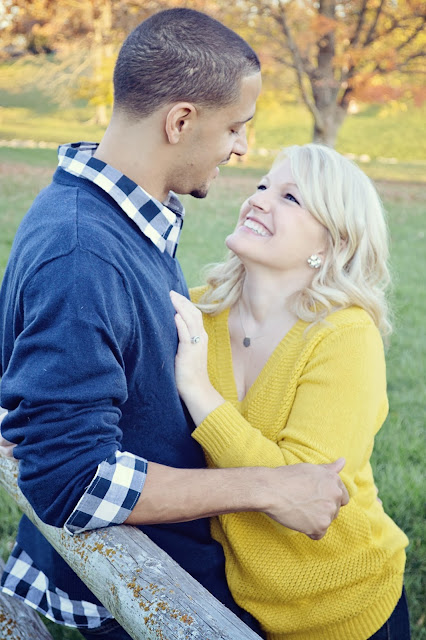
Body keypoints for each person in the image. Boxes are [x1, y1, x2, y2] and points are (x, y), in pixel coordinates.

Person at [0, 9, 348, 640]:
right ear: (181, 121)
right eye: (236, 127)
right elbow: (71, 481)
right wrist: (269, 487)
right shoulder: (81, 253)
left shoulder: (121, 220)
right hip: (148, 589)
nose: (242, 148)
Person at [170, 143, 410, 640]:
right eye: (262, 186)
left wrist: (198, 389)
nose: (257, 200)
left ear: (333, 242)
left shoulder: (344, 335)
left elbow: (303, 490)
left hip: (349, 605)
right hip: (246, 606)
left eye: (290, 197)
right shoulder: (196, 315)